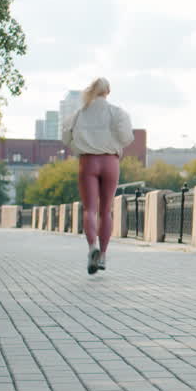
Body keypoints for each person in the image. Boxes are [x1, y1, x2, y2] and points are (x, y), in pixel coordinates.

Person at [61, 77, 134, 274]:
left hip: (88, 162)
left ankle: (92, 246)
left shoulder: (79, 114)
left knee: (90, 210)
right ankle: (102, 256)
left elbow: (65, 137)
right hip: (110, 161)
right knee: (106, 210)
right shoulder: (117, 113)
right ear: (108, 91)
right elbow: (127, 137)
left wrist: (80, 146)